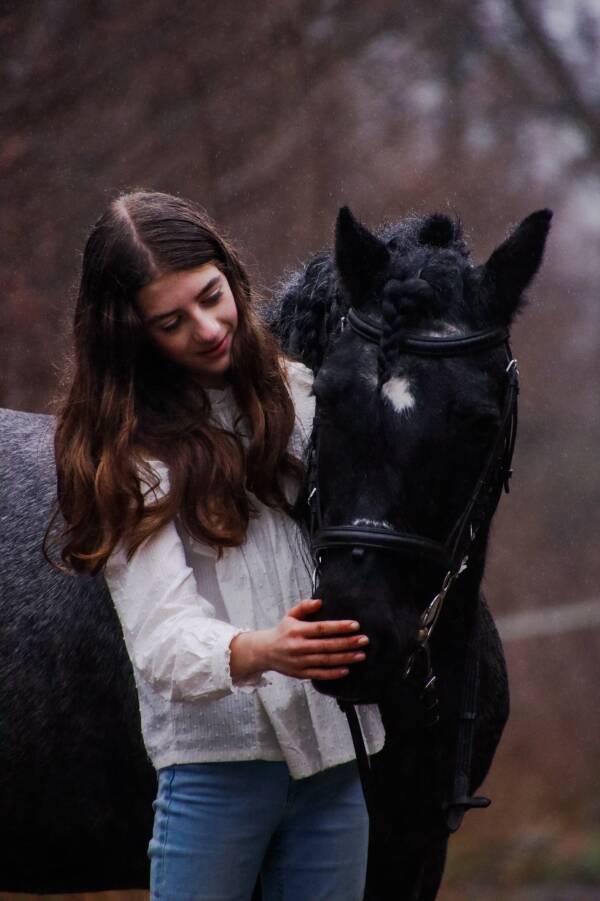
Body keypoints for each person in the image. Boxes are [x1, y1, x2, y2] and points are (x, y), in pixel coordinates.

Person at [52, 190, 385, 901]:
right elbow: (162, 640)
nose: (206, 328)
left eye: (212, 296)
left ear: (230, 274)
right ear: (131, 336)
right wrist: (266, 649)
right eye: (171, 322)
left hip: (336, 761)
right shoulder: (127, 453)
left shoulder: (304, 398)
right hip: (215, 775)